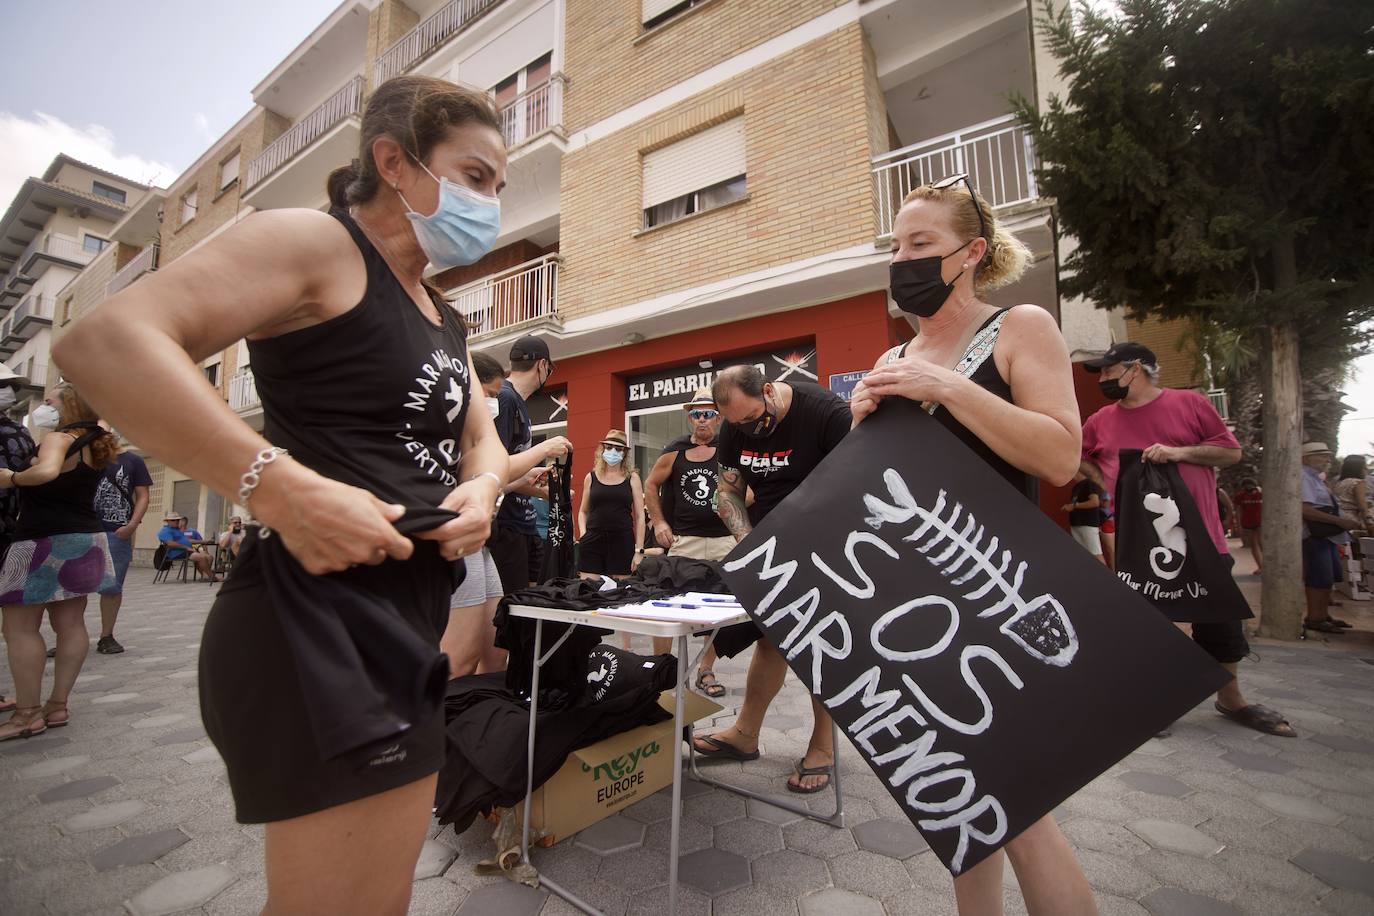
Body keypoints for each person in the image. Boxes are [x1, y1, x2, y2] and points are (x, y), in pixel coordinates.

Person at [54, 75, 512, 914]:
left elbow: (478, 432)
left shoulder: (442, 313)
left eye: (499, 187)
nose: (491, 204)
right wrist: (275, 486)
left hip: (408, 615)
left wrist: (482, 488)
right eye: (476, 177)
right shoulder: (316, 243)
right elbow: (103, 341)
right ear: (394, 162)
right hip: (315, 621)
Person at [850, 176, 1093, 915]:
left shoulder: (1020, 326)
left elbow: (1058, 457)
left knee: (1021, 811)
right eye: (896, 246)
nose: (904, 260)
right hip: (916, 605)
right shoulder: (902, 351)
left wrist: (948, 388)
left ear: (971, 252)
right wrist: (862, 426)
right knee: (963, 811)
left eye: (920, 244)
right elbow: (876, 489)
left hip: (997, 595)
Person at [1082, 341, 1294, 739]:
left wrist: (1179, 453)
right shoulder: (1100, 421)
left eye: (1110, 370)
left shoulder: (1189, 405)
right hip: (1139, 546)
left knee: (1220, 625)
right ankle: (1157, 703)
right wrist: (1102, 478)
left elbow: (1229, 453)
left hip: (1202, 541)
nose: (1104, 379)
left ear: (1137, 369)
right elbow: (1076, 453)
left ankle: (1231, 699)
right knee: (1147, 628)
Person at [693, 365, 852, 796]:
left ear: (768, 390)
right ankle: (745, 735)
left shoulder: (825, 412)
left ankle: (823, 745)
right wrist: (747, 540)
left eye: (752, 419)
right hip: (770, 544)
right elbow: (726, 492)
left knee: (822, 643)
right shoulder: (734, 429)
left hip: (830, 540)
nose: (747, 430)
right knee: (770, 639)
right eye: (737, 424)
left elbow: (858, 480)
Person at [0, 384, 118, 741]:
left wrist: (13, 477)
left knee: (19, 627)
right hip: (86, 539)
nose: (45, 405)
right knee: (71, 625)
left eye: (50, 400)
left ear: (68, 403)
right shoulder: (99, 440)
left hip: (40, 539)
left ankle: (26, 714)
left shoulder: (60, 438)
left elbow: (48, 472)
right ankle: (58, 704)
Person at [645, 387, 736, 696]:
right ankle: (661, 668)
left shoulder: (731, 447)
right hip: (686, 541)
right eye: (696, 414)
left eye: (708, 414)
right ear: (689, 418)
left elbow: (748, 489)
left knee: (719, 614)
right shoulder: (676, 450)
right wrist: (659, 522)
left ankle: (706, 669)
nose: (702, 420)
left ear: (719, 417)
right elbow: (651, 484)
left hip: (725, 541)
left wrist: (737, 517)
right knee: (668, 604)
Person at [441, 350, 512, 678]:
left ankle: (481, 717)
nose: (495, 403)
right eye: (492, 395)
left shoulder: (478, 431)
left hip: (479, 542)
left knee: (496, 653)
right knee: (460, 660)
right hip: (457, 535)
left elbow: (492, 469)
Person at [489, 334, 570, 593]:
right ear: (542, 365)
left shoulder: (517, 402)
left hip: (525, 524)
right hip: (506, 526)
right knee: (511, 609)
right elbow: (493, 470)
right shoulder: (505, 398)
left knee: (532, 603)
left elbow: (508, 474)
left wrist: (539, 488)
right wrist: (544, 448)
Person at [91, 436, 152, 654]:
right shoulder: (87, 457)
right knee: (72, 587)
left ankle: (106, 636)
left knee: (112, 586)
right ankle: (68, 636)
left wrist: (132, 524)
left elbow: (143, 495)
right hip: (83, 529)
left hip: (117, 530)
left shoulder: (133, 460)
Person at [0, 365, 37, 712]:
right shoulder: (19, 435)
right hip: (13, 533)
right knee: (17, 621)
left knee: (17, 623)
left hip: (10, 533)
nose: (9, 393)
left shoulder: (17, 433)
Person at [1301, 443, 1360, 633]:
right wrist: (1338, 521)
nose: (1328, 459)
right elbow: (1305, 509)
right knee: (1319, 576)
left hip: (1327, 535)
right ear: (1307, 458)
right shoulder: (1304, 477)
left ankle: (1322, 615)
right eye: (1322, 455)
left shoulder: (1316, 479)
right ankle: (1315, 618)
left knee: (1328, 576)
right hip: (1314, 534)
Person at [576, 429, 645, 580]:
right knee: (588, 591)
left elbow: (640, 516)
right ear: (602, 449)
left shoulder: (632, 478)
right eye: (608, 447)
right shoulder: (591, 477)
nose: (612, 451)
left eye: (618, 449)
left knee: (622, 595)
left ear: (624, 453)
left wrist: (639, 551)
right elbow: (582, 511)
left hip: (622, 540)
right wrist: (583, 535)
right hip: (593, 540)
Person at [156, 512, 220, 583]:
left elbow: (187, 540)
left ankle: (205, 576)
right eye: (173, 520)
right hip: (178, 552)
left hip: (186, 551)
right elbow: (170, 543)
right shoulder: (165, 530)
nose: (176, 521)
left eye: (177, 520)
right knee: (202, 557)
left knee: (209, 557)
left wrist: (205, 541)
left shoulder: (177, 530)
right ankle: (212, 577)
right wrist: (186, 547)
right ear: (167, 521)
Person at [1063, 462, 1106, 564]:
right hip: (1077, 523)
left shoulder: (1089, 484)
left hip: (1088, 524)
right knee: (1082, 553)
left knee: (1095, 553)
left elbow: (1094, 502)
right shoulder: (1076, 487)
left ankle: (1106, 578)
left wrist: (1074, 506)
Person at [1334, 454, 1372, 532]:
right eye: (1364, 467)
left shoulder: (1340, 482)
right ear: (1357, 469)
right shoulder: (1358, 482)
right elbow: (1362, 506)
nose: (1367, 470)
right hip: (1353, 520)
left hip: (1340, 516)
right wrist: (1369, 523)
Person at [1233, 477, 1263, 573]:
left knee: (1263, 543)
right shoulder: (1240, 496)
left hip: (1261, 522)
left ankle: (1267, 565)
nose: (1248, 488)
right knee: (1254, 545)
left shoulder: (1261, 494)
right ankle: (1261, 566)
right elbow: (1238, 511)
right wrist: (1238, 525)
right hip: (1248, 522)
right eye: (1246, 486)